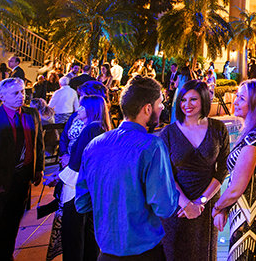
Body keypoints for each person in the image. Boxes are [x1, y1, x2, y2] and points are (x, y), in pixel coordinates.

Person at [75, 75, 179, 259]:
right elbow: (164, 207)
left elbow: (82, 203)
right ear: (148, 108)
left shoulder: (94, 145)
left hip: (105, 253)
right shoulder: (151, 146)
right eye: (160, 103)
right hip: (144, 253)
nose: (162, 107)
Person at [0, 77, 44, 261]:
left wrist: (38, 168)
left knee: (14, 219)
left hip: (23, 177)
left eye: (23, 92)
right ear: (2, 96)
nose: (21, 96)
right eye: (15, 93)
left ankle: (7, 254)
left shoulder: (32, 114)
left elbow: (38, 143)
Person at [159, 80, 230, 261]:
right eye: (183, 100)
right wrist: (186, 204)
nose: (187, 105)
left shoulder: (218, 129)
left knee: (204, 254)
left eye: (193, 99)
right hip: (177, 206)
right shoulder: (168, 133)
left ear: (204, 100)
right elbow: (165, 174)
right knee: (175, 253)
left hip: (206, 206)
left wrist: (201, 201)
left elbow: (223, 170)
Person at [212, 79, 256, 261]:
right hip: (243, 214)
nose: (235, 101)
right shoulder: (255, 135)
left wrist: (217, 207)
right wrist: (225, 208)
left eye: (241, 98)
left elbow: (237, 187)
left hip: (249, 219)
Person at [60, 95, 112, 261]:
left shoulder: (91, 128)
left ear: (91, 109)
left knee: (74, 232)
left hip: (77, 185)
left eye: (82, 107)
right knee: (87, 231)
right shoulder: (98, 127)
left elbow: (79, 161)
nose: (78, 110)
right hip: (87, 184)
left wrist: (64, 174)